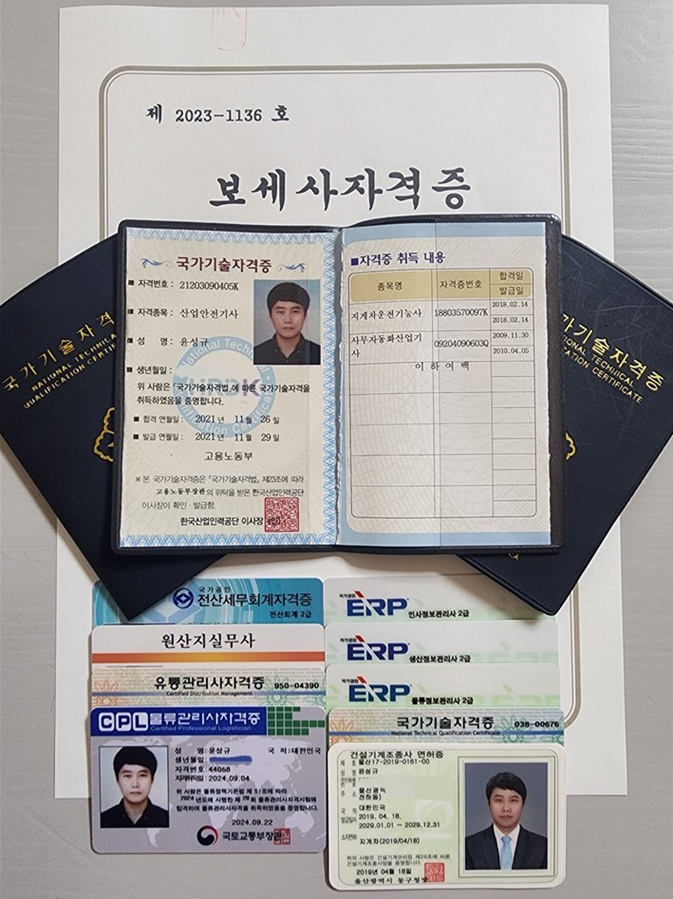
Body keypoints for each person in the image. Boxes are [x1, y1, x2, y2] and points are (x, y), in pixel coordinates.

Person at [464, 771, 547, 870]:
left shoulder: (543, 847)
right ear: (489, 805)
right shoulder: (469, 846)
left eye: (513, 800)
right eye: (499, 800)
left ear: (523, 805)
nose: (506, 808)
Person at [100, 746, 169, 828]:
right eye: (127, 776)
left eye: (142, 775)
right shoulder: (103, 820)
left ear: (152, 779)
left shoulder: (167, 820)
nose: (135, 784)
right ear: (117, 780)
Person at [253, 282, 321, 365]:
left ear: (305, 315)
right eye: (281, 312)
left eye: (295, 312)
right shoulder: (256, 355)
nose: (288, 320)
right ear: (270, 316)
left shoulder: (319, 354)